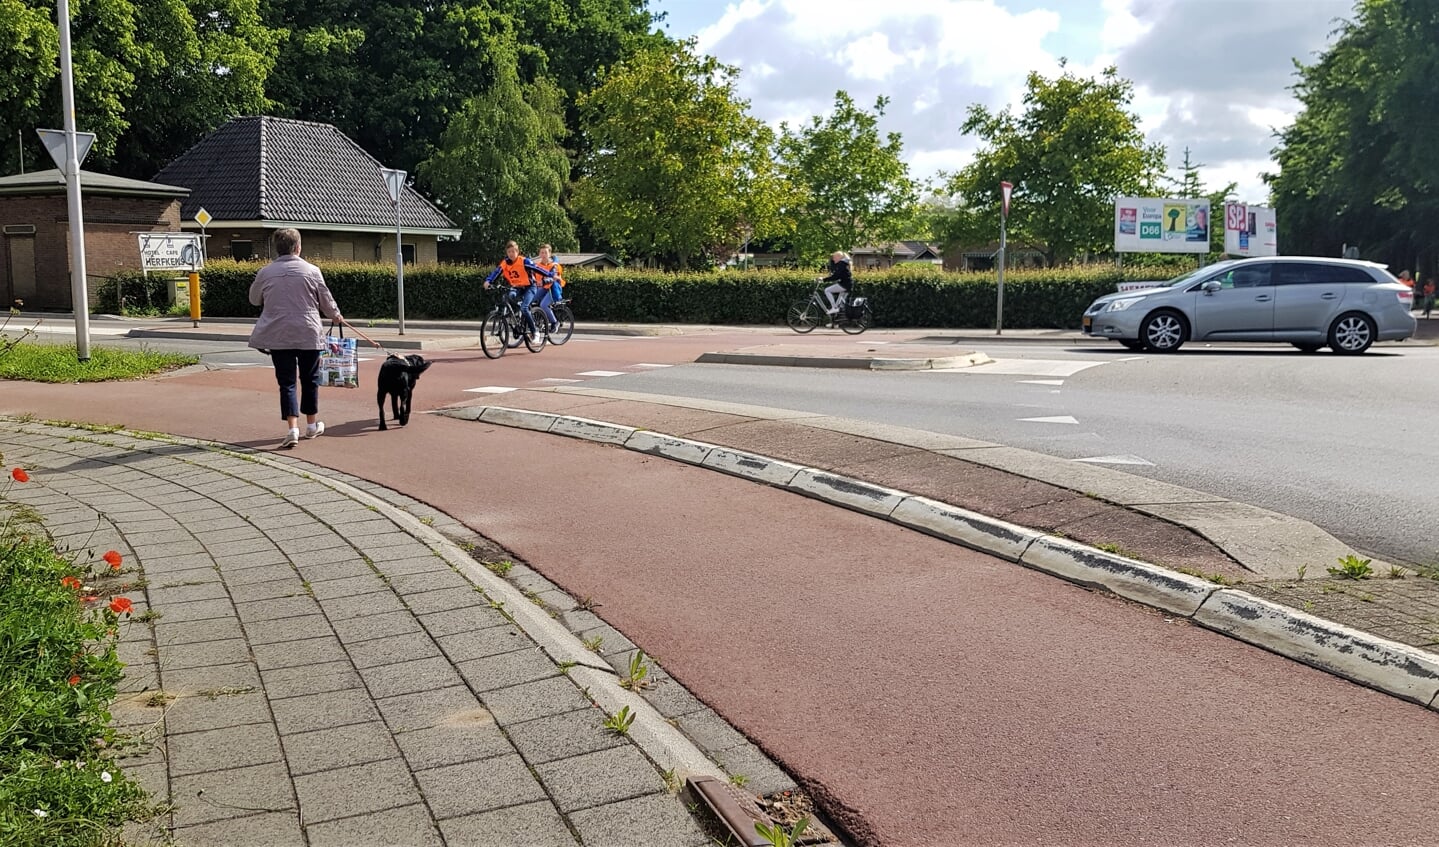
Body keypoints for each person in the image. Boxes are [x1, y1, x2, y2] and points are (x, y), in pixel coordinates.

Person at [247, 228, 342, 449]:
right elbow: (326, 302)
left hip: (278, 334)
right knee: (310, 379)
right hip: (308, 333)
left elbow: (253, 299)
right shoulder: (312, 271)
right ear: (298, 247)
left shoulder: (265, 272)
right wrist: (336, 316)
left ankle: (292, 429)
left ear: (276, 249)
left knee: (286, 382)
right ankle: (311, 425)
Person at [483, 241, 556, 337]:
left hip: (530, 287)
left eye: (513, 251)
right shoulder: (505, 263)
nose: (511, 254)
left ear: (517, 252)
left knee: (524, 308)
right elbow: (497, 272)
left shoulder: (524, 261)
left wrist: (550, 274)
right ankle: (518, 317)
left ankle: (535, 332)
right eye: (509, 252)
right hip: (517, 287)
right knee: (509, 296)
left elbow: (537, 269)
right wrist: (488, 281)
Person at [534, 244, 565, 332]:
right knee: (528, 301)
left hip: (553, 289)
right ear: (539, 254)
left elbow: (553, 277)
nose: (543, 255)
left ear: (549, 254)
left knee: (543, 304)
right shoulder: (538, 266)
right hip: (543, 288)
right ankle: (535, 322)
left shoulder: (554, 266)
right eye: (542, 253)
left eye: (545, 253)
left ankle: (555, 322)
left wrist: (543, 281)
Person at [821, 251, 853, 316]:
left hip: (844, 285)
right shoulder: (844, 263)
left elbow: (836, 276)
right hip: (848, 285)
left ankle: (834, 307)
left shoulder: (841, 263)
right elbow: (838, 275)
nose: (833, 259)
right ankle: (835, 323)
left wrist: (824, 279)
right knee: (839, 306)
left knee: (827, 290)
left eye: (834, 257)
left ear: (839, 257)